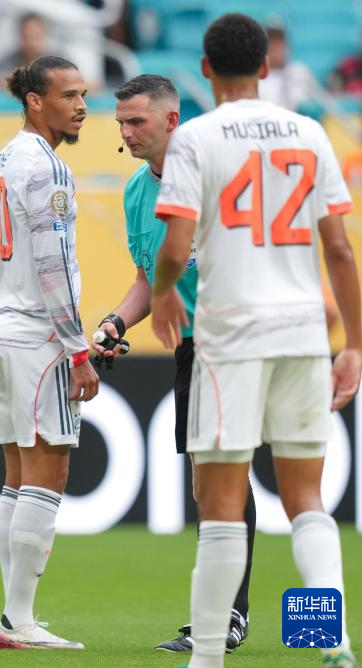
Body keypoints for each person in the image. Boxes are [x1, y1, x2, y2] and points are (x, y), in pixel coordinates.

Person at [151, 13, 360, 668]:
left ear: (205, 69)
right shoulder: (309, 133)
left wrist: (162, 293)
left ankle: (208, 656)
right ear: (267, 66)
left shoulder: (196, 137)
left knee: (220, 507)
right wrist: (355, 344)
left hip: (231, 335)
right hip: (302, 332)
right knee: (306, 501)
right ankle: (328, 639)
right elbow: (340, 250)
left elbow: (176, 248)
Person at [94, 73, 254, 655]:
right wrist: (114, 323)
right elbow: (147, 280)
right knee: (208, 479)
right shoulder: (137, 191)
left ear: (171, 120)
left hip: (237, 335)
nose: (126, 132)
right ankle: (226, 614)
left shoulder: (217, 177)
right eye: (121, 123)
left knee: (223, 474)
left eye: (136, 121)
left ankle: (228, 616)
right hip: (193, 345)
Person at [0, 56, 98, 651]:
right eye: (68, 95)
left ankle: (13, 614)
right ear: (34, 100)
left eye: (83, 95)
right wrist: (78, 349)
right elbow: (53, 267)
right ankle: (18, 621)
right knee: (48, 474)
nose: (81, 106)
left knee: (17, 478)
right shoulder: (48, 167)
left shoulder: (5, 158)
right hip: (36, 338)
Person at [258, 26, 315, 112]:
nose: (276, 47)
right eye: (272, 43)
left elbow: (322, 101)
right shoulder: (258, 78)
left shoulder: (300, 71)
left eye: (279, 42)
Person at [0, 13, 47, 90]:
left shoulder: (57, 61)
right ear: (20, 36)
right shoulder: (5, 63)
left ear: (43, 35)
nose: (32, 42)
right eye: (28, 36)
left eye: (36, 36)